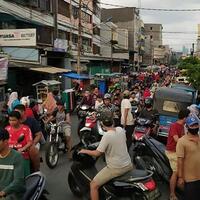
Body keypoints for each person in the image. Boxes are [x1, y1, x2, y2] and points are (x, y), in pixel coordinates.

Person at [79, 112, 133, 200]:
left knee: (93, 185)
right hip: (128, 164)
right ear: (113, 122)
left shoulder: (107, 136)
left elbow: (97, 153)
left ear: (102, 125)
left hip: (116, 168)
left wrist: (85, 151)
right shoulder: (120, 130)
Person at [165, 109, 190, 200]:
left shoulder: (183, 126)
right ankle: (172, 194)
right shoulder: (174, 126)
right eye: (189, 117)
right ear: (185, 118)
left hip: (179, 151)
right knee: (176, 172)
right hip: (172, 151)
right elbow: (177, 140)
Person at [176, 116, 200, 200]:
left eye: (196, 125)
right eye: (192, 125)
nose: (195, 127)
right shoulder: (182, 141)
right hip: (190, 179)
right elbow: (180, 161)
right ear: (187, 127)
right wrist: (180, 177)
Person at [14, 104, 42, 172]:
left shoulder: (32, 121)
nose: (16, 114)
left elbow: (39, 134)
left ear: (23, 112)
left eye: (18, 112)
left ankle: (36, 169)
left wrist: (33, 143)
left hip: (31, 143)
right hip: (16, 144)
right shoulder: (13, 122)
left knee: (32, 149)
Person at [0, 128, 25, 200]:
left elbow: (18, 181)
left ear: (6, 141)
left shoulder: (17, 157)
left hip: (13, 193)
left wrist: (3, 192)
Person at [5, 111, 33, 176]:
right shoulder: (6, 129)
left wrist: (23, 149)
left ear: (19, 120)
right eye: (10, 120)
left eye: (14, 120)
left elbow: (30, 142)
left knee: (25, 176)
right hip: (8, 153)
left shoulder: (26, 128)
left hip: (22, 153)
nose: (11, 122)